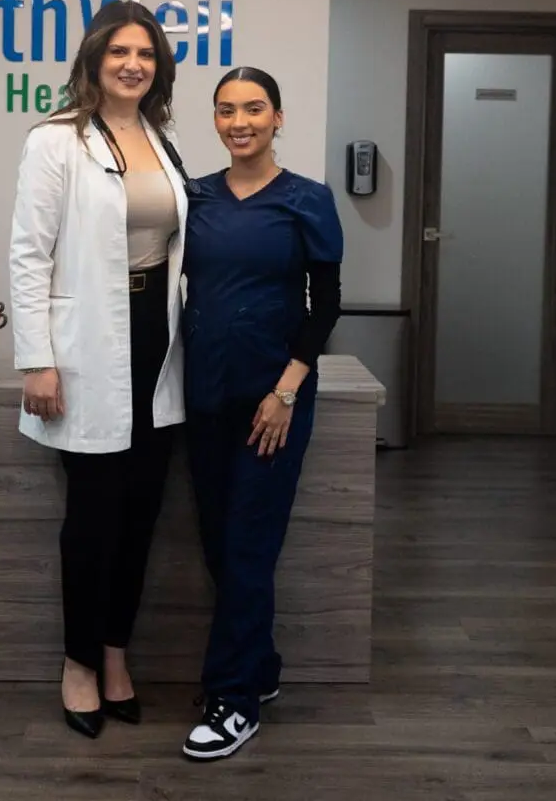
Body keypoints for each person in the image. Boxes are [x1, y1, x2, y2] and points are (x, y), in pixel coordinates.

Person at [7, 0, 191, 739]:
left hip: (157, 340)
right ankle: (78, 663)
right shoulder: (55, 141)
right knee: (92, 519)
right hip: (87, 343)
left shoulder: (160, 136)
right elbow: (27, 253)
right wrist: (36, 360)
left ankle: (117, 654)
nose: (132, 64)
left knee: (143, 514)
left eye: (145, 54)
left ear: (158, 67)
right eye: (118, 52)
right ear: (93, 60)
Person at [177, 66, 344, 761]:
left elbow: (325, 303)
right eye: (224, 110)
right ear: (213, 121)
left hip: (270, 403)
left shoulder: (307, 200)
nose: (238, 121)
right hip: (203, 397)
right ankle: (260, 668)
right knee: (220, 546)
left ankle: (232, 700)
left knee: (248, 546)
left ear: (277, 118)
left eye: (252, 108)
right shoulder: (194, 197)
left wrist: (286, 390)